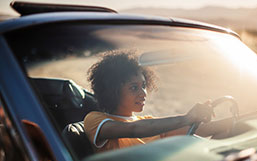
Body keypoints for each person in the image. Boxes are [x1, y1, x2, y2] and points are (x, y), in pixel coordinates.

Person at [84, 50, 231, 153]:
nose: (143, 93)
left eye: (143, 86)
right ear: (111, 91)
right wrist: (186, 117)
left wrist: (241, 121)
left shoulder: (149, 123)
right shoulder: (95, 121)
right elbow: (135, 129)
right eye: (134, 88)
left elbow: (196, 129)